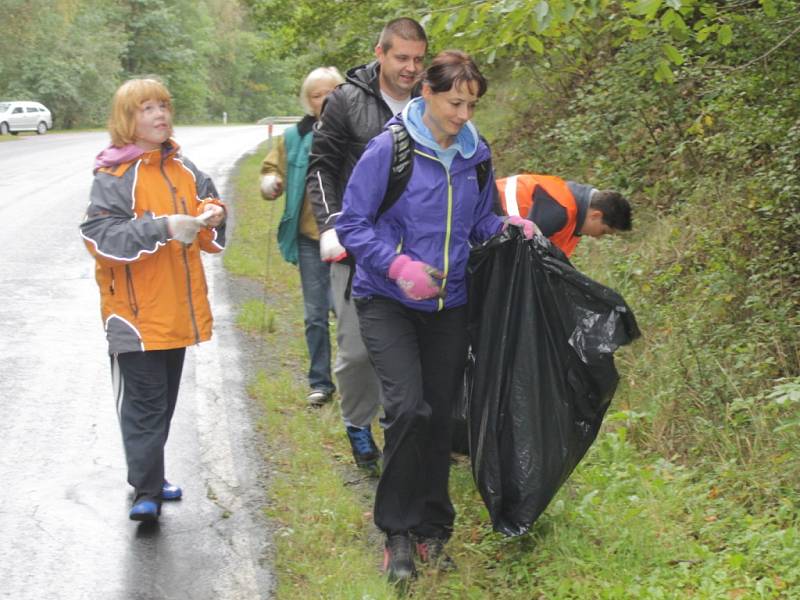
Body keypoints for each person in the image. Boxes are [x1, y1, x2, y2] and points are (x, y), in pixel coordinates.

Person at [336, 50, 536, 582]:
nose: (464, 114)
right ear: (426, 92)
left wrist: (508, 228)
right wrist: (399, 264)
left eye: (472, 104)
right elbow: (352, 225)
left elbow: (480, 222)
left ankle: (432, 529)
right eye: (455, 102)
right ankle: (397, 532)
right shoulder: (390, 150)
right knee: (407, 410)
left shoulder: (476, 153)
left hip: (450, 304)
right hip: (388, 300)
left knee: (441, 417)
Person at [80, 77, 227, 522]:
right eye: (147, 109)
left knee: (162, 403)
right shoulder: (114, 176)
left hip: (178, 313)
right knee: (143, 404)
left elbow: (210, 209)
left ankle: (151, 475)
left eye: (163, 106)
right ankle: (145, 489)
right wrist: (162, 227)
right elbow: (100, 238)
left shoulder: (183, 167)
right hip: (134, 318)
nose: (160, 115)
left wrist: (214, 215)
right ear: (127, 119)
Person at [306, 17, 428, 473]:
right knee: (358, 350)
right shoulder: (345, 102)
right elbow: (321, 169)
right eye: (401, 58)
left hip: (416, 250)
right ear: (380, 54)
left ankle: (400, 428)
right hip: (357, 248)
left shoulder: (430, 101)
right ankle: (358, 421)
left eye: (418, 59)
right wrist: (334, 224)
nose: (410, 68)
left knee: (411, 348)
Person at [259, 67, 345, 407]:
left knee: (346, 311)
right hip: (310, 238)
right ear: (307, 101)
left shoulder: (353, 131)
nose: (324, 100)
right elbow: (270, 170)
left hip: (348, 238)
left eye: (331, 92)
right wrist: (271, 184)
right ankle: (320, 382)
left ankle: (358, 380)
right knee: (314, 314)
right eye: (316, 95)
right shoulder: (294, 137)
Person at [496, 174, 632, 257]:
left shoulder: (573, 221)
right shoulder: (559, 211)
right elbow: (521, 254)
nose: (598, 237)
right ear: (595, 215)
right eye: (603, 231)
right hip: (484, 214)